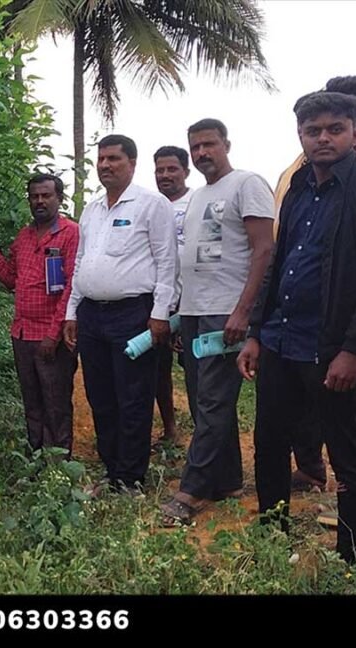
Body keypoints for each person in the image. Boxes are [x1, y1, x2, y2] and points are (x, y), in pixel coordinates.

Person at [238, 92, 356, 563]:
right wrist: (255, 332)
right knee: (270, 442)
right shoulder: (295, 190)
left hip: (332, 348)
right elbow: (278, 265)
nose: (323, 138)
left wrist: (353, 349)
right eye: (313, 131)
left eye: (334, 128)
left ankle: (348, 560)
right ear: (300, 136)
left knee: (348, 454)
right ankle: (274, 539)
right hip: (280, 340)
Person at [158, 119, 274, 525]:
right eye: (196, 147)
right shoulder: (198, 197)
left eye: (209, 144)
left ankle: (192, 490)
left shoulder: (247, 184)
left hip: (225, 312)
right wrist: (178, 316)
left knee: (212, 401)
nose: (202, 152)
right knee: (202, 398)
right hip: (193, 312)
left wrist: (244, 312)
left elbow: (263, 251)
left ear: (227, 144)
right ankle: (226, 481)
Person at [63, 135, 178, 494]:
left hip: (134, 315)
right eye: (101, 159)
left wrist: (160, 315)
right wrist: (72, 312)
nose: (105, 165)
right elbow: (81, 263)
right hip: (92, 316)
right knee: (100, 396)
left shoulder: (151, 204)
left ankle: (130, 478)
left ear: (132, 162)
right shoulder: (92, 209)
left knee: (133, 397)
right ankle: (111, 469)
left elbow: (167, 262)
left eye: (113, 158)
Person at [0, 173, 80, 456]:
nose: (39, 201)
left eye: (46, 195)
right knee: (32, 401)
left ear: (59, 199)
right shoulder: (24, 237)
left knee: (56, 401)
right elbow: (11, 278)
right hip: (21, 333)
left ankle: (59, 462)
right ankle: (36, 456)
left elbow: (72, 286)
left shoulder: (70, 233)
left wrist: (54, 333)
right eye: (34, 196)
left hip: (53, 335)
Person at [152, 145, 194, 443]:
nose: (165, 175)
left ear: (185, 171)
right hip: (158, 303)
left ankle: (205, 434)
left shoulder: (197, 202)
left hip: (193, 303)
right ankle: (170, 429)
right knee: (157, 370)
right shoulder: (152, 206)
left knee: (195, 371)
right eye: (159, 170)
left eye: (171, 169)